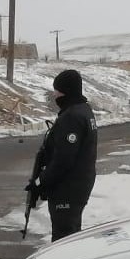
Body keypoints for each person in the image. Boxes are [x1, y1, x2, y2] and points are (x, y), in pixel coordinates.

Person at [27, 69, 98, 242]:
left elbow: (63, 159)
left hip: (68, 189)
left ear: (66, 91)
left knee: (64, 240)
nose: (55, 94)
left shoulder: (72, 117)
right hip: (78, 184)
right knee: (71, 236)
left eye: (57, 90)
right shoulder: (83, 110)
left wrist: (40, 181)